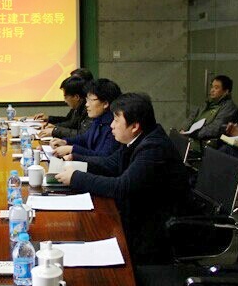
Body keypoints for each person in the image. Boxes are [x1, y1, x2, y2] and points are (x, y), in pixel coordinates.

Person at [55, 93, 189, 265]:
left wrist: (76, 178)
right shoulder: (138, 138)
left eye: (116, 120)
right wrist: (76, 160)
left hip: (157, 229)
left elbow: (122, 187)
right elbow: (111, 164)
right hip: (139, 215)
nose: (111, 125)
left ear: (134, 126)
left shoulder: (153, 147)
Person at [50, 78, 122, 158]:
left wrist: (72, 149)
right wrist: (65, 142)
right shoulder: (98, 119)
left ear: (105, 103)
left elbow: (103, 157)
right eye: (87, 100)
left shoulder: (113, 125)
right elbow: (85, 138)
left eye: (91, 100)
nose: (86, 104)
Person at [182, 75, 238, 141]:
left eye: (216, 88)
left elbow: (215, 128)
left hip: (203, 140)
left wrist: (193, 134)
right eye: (212, 87)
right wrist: (184, 129)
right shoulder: (208, 103)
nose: (212, 90)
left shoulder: (228, 107)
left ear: (226, 91)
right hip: (191, 137)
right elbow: (192, 117)